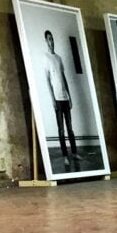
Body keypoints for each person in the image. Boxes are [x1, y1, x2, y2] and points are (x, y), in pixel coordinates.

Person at [42, 29, 80, 164]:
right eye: (49, 39)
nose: (51, 42)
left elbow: (63, 78)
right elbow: (47, 80)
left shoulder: (59, 58)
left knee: (70, 128)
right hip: (57, 99)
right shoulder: (46, 58)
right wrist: (52, 99)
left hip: (65, 97)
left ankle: (74, 153)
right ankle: (65, 156)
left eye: (52, 39)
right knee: (61, 130)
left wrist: (69, 96)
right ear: (46, 41)